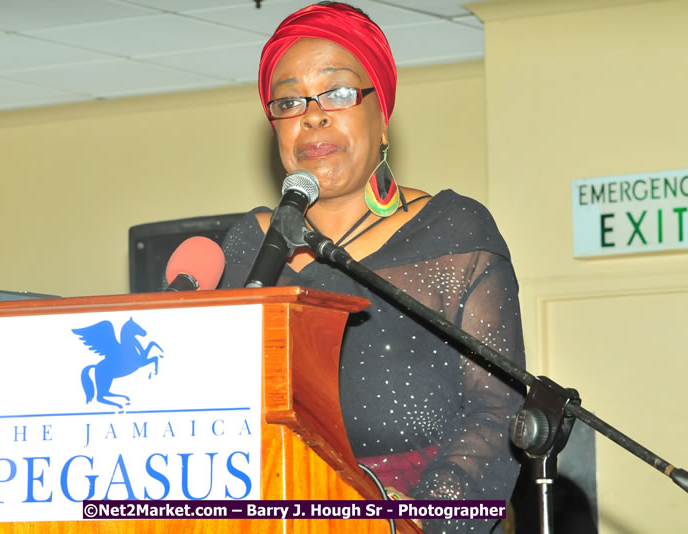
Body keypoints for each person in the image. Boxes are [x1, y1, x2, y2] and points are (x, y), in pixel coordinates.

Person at [219, 3, 526, 532]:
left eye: (337, 92)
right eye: (289, 101)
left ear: (382, 117)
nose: (313, 115)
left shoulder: (452, 232)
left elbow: (497, 410)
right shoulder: (249, 246)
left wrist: (415, 520)